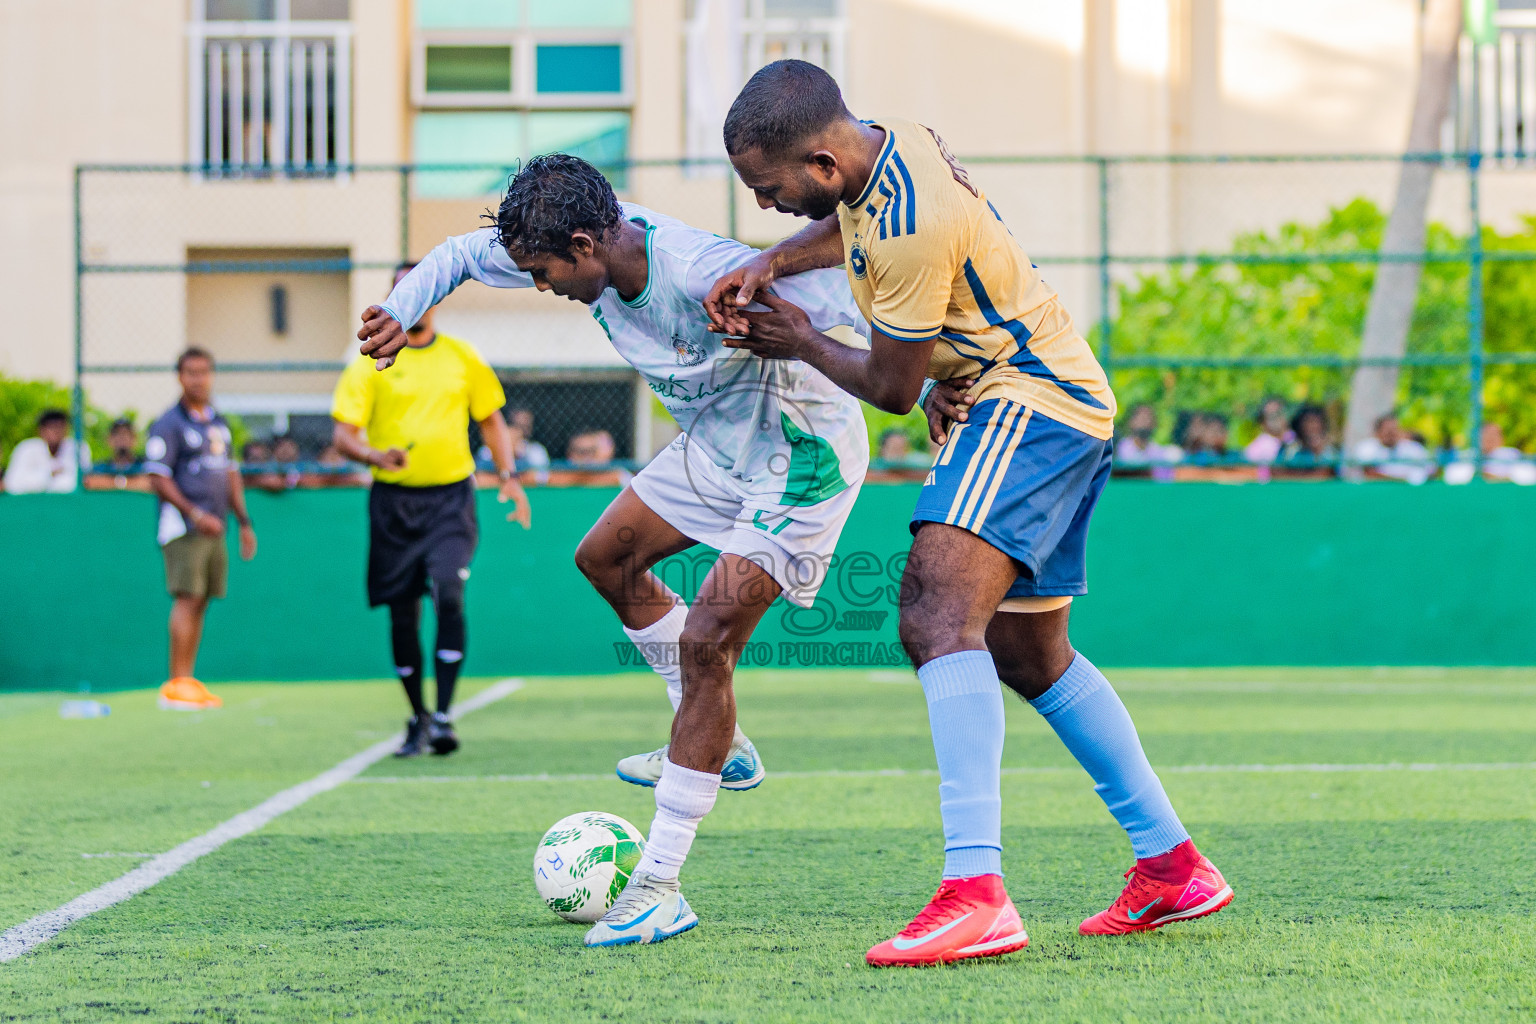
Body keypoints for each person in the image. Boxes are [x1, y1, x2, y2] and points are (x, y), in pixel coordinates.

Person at [705, 60, 1229, 965]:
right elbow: (856, 236)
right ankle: (1173, 865)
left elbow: (891, 387)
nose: (766, 205)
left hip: (1027, 399)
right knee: (1028, 651)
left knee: (936, 616)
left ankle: (975, 891)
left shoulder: (908, 221)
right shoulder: (893, 142)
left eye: (771, 188)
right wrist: (775, 260)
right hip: (1046, 396)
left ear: (825, 162)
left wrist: (796, 334)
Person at [358, 154, 871, 948]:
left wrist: (945, 378)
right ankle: (719, 743)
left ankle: (661, 885)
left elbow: (863, 275)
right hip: (714, 446)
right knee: (605, 558)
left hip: (800, 460)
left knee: (707, 644)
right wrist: (399, 308)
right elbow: (459, 254)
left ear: (586, 243)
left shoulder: (708, 272)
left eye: (543, 271)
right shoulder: (567, 235)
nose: (538, 286)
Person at [333, 263, 532, 758]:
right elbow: (342, 436)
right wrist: (375, 456)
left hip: (450, 501)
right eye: (402, 289)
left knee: (448, 594)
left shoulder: (462, 358)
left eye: (420, 289)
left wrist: (509, 478)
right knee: (403, 614)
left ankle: (443, 715)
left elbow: (491, 421)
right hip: (393, 505)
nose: (413, 298)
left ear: (435, 296)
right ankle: (416, 715)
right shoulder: (368, 362)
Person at [144, 348, 257, 710]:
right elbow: (158, 478)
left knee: (202, 601)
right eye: (191, 373)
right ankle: (175, 684)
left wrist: (243, 521)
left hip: (216, 527)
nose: (199, 379)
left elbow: (230, 473)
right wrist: (193, 514)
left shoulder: (217, 423)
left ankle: (188, 680)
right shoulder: (169, 424)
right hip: (185, 528)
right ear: (180, 377)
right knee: (187, 598)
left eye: (205, 372)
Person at [3, 408, 88, 494]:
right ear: (40, 430)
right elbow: (13, 483)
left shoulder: (78, 448)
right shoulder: (26, 448)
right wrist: (50, 474)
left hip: (66, 504)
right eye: (51, 427)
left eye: (60, 426)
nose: (56, 431)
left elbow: (80, 482)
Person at [1352, 413, 1433, 484]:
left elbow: (1431, 469)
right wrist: (1402, 480)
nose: (1392, 435)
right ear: (1377, 432)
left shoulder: (1413, 448)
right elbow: (1369, 473)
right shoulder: (1366, 448)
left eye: (1394, 430)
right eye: (1388, 432)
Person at [1243, 398, 1292, 467]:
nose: (1276, 419)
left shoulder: (1297, 438)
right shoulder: (1255, 449)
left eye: (1279, 413)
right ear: (1262, 423)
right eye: (1271, 416)